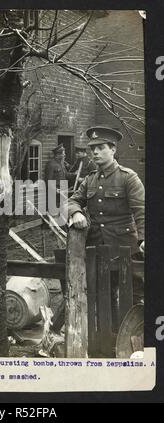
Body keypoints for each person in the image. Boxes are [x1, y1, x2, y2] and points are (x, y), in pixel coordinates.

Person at [68, 126, 145, 331]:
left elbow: (142, 211)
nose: (95, 152)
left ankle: (135, 335)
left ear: (113, 150)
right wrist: (76, 212)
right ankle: (108, 335)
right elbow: (73, 200)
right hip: (97, 247)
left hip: (125, 247)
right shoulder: (90, 179)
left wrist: (144, 239)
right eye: (92, 148)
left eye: (101, 147)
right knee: (103, 292)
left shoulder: (128, 177)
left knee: (134, 293)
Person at [45, 144, 75, 211]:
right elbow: (48, 180)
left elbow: (66, 174)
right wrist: (55, 190)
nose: (65, 155)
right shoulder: (51, 164)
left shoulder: (61, 163)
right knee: (53, 210)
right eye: (63, 153)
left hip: (62, 191)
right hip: (54, 192)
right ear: (58, 155)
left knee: (62, 209)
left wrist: (75, 174)